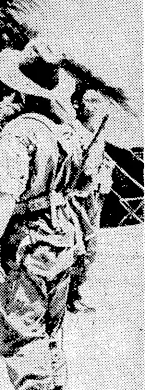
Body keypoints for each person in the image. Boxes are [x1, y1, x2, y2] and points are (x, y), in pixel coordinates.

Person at [0, 40, 97, 390]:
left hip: (30, 235)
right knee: (50, 332)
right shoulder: (68, 129)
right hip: (65, 234)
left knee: (22, 332)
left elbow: (8, 191)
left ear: (21, 87)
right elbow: (83, 185)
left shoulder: (21, 129)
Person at [67, 88, 114, 313]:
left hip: (93, 196)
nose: (93, 106)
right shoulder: (72, 131)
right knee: (76, 246)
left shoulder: (99, 132)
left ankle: (76, 290)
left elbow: (99, 163)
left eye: (97, 101)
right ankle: (67, 295)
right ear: (77, 104)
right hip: (73, 198)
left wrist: (104, 170)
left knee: (90, 247)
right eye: (89, 101)